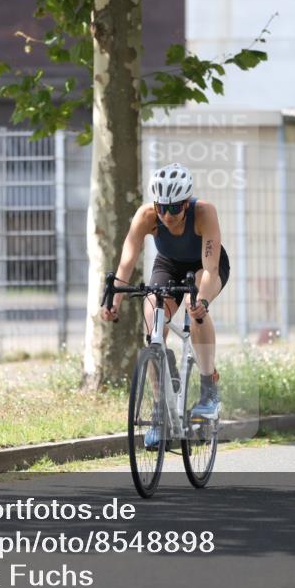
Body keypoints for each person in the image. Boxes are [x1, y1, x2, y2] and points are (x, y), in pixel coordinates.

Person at [100, 163, 230, 442]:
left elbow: (209, 269)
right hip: (169, 265)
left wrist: (202, 302)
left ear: (186, 203)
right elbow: (126, 262)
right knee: (153, 317)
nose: (167, 215)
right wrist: (115, 301)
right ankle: (161, 411)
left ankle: (209, 390)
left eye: (174, 209)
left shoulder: (204, 212)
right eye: (162, 208)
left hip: (205, 266)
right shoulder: (146, 215)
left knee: (196, 313)